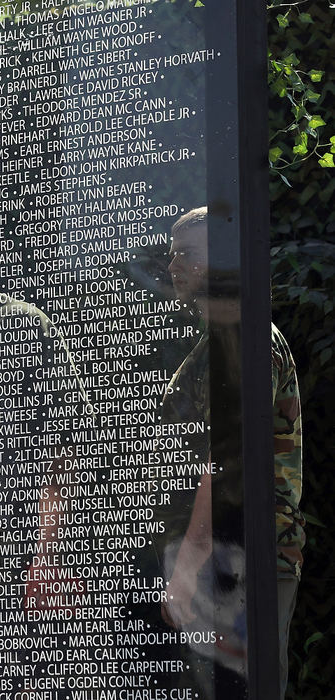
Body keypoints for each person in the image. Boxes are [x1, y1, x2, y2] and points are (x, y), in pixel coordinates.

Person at [159, 207, 304, 698]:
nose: (175, 266)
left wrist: (190, 561)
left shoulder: (243, 337)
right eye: (174, 254)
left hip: (243, 558)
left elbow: (227, 455)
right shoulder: (218, 337)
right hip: (220, 560)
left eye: (190, 255)